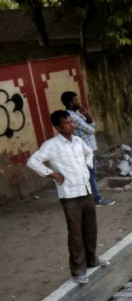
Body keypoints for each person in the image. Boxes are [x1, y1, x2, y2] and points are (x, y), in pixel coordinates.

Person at [27, 110, 110, 284]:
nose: (71, 125)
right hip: (70, 195)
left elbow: (90, 153)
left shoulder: (78, 141)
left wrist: (87, 167)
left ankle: (92, 260)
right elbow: (32, 161)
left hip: (85, 191)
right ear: (57, 126)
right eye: (67, 123)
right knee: (75, 234)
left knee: (90, 229)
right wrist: (53, 174)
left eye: (72, 121)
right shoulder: (51, 145)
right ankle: (78, 270)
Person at [60, 91, 114, 207]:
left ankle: (85, 198)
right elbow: (90, 129)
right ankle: (97, 198)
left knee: (87, 175)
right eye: (75, 100)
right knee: (91, 175)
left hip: (86, 148)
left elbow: (91, 124)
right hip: (85, 150)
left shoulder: (76, 114)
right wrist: (87, 120)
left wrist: (86, 114)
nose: (78, 102)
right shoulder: (72, 116)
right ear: (70, 102)